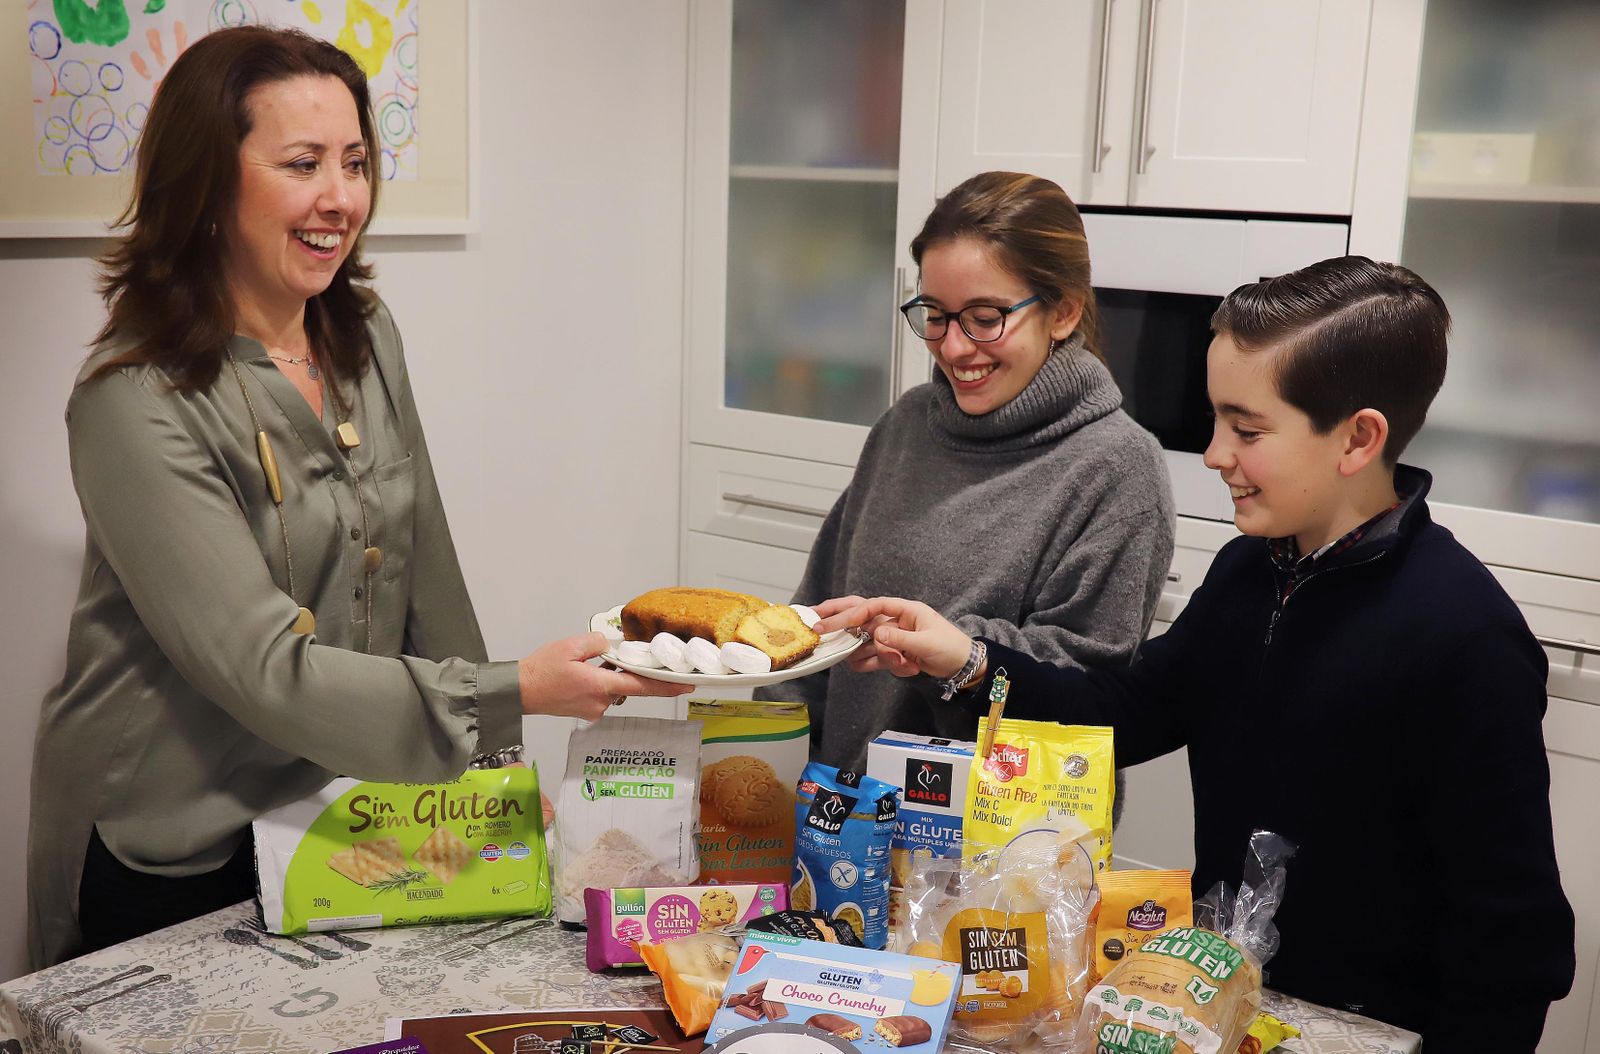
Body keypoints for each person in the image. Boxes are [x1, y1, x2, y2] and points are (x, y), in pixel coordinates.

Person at [27, 26, 687, 969]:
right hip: (167, 835)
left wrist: (491, 774)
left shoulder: (364, 334)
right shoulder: (134, 400)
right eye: (302, 164)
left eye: (356, 162)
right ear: (208, 186)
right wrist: (513, 696)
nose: (340, 198)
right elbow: (261, 667)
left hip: (328, 807)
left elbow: (426, 567)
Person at [816, 256, 1576, 1048]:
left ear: (1358, 438)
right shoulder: (1253, 569)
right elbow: (1131, 711)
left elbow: (1513, 941)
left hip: (1366, 1030)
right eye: (1216, 420)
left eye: (1246, 430)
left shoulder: (1466, 638)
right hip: (1225, 1005)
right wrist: (964, 660)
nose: (1215, 454)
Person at [758, 171, 1175, 775]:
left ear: (1062, 311)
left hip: (996, 846)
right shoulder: (904, 427)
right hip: (842, 821)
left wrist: (955, 653)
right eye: (935, 314)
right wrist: (768, 763)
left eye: (984, 316)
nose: (953, 348)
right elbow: (816, 624)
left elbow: (1086, 698)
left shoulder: (1116, 468)